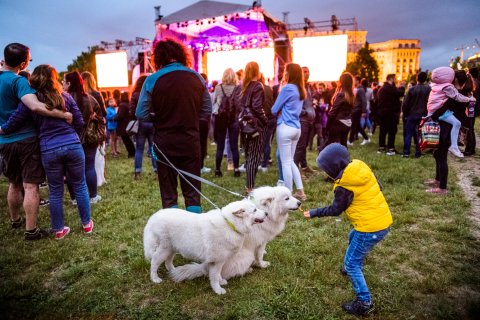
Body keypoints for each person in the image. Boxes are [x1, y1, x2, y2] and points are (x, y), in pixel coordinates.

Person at [0, 64, 93, 239]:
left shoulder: (30, 101)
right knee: (80, 185)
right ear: (53, 78)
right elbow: (80, 121)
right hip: (72, 145)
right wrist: (71, 134)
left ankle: (58, 230)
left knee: (55, 190)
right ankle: (87, 224)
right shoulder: (65, 97)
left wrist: (2, 129)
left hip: (48, 149)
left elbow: (15, 121)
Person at [303, 143, 392, 316]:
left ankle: (364, 302)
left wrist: (314, 213)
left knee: (352, 263)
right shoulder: (361, 168)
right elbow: (379, 187)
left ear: (333, 167)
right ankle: (350, 265)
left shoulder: (344, 186)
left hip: (369, 228)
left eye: (325, 169)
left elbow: (336, 210)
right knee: (353, 236)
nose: (325, 172)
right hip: (383, 221)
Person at [136, 38, 211, 213]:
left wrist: (158, 118)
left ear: (159, 58)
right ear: (181, 55)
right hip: (190, 142)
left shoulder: (152, 80)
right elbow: (207, 109)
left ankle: (172, 234)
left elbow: (141, 113)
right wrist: (191, 118)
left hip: (164, 144)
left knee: (169, 194)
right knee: (192, 193)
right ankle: (195, 233)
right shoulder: (196, 77)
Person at [426, 70, 471, 194]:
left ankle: (442, 188)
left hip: (447, 129)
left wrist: (434, 115)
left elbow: (446, 110)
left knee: (441, 156)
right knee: (437, 154)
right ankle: (437, 180)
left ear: (455, 79)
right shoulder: (449, 91)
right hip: (443, 126)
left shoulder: (455, 94)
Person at [63, 71, 104, 204]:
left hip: (69, 138)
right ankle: (93, 196)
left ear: (69, 83)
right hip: (89, 138)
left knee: (70, 170)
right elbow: (101, 117)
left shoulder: (62, 99)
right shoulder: (90, 99)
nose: (62, 84)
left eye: (63, 82)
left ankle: (74, 198)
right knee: (89, 167)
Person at [271, 62, 307, 199]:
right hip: (296, 128)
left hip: (285, 127)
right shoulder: (300, 89)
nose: (284, 73)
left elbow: (274, 109)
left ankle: (287, 195)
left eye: (286, 71)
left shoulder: (287, 88)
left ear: (290, 73)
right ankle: (300, 191)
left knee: (286, 162)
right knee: (290, 161)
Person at [426, 66, 476, 158]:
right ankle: (453, 146)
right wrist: (469, 99)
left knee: (456, 124)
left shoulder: (435, 85)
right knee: (457, 123)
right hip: (440, 112)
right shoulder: (448, 87)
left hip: (434, 111)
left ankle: (453, 146)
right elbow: (458, 97)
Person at [234, 61, 267, 194]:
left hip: (244, 124)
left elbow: (237, 105)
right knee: (254, 156)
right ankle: (250, 188)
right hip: (255, 125)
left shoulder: (241, 87)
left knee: (249, 156)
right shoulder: (258, 86)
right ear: (257, 71)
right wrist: (265, 120)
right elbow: (257, 106)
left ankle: (249, 186)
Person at [212, 68, 240, 177]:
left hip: (221, 118)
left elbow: (214, 102)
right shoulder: (238, 88)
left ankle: (218, 170)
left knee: (220, 146)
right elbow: (239, 105)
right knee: (234, 146)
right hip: (233, 119)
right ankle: (236, 170)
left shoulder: (218, 88)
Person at [132, 75, 157, 179]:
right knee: (154, 148)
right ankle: (157, 172)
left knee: (139, 149)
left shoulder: (135, 94)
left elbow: (132, 109)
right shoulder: (153, 92)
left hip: (141, 122)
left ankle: (137, 173)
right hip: (152, 122)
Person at [401, 71, 430, 158]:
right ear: (425, 79)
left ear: (417, 78)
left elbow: (405, 104)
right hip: (423, 115)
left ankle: (406, 152)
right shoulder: (428, 90)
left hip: (412, 114)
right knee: (420, 134)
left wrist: (405, 114)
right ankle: (418, 152)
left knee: (408, 134)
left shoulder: (412, 89)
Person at [294, 66, 316, 176]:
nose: (307, 74)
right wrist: (305, 112)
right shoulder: (298, 87)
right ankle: (296, 170)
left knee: (304, 145)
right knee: (300, 146)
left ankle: (304, 166)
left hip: (309, 121)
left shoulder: (308, 86)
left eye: (308, 71)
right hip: (302, 120)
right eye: (305, 72)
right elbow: (296, 105)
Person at [377, 74, 404, 155]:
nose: (396, 80)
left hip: (382, 112)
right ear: (391, 79)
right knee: (392, 131)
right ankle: (390, 149)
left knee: (383, 130)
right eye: (395, 79)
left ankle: (381, 147)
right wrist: (402, 86)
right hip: (390, 113)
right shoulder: (390, 88)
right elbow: (400, 93)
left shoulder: (381, 88)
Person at [325, 72, 354, 147]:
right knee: (343, 145)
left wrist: (327, 126)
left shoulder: (341, 94)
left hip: (337, 123)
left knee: (333, 146)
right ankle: (344, 158)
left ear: (342, 82)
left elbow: (333, 112)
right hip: (347, 123)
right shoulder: (351, 95)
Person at [348, 76, 370, 146]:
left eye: (354, 80)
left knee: (354, 125)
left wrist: (363, 111)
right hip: (355, 109)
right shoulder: (356, 89)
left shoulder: (361, 89)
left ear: (357, 81)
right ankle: (366, 138)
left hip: (358, 110)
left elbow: (364, 101)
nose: (353, 82)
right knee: (357, 126)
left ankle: (350, 141)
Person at [199, 73, 213, 174]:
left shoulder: (191, 89)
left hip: (192, 120)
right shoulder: (203, 90)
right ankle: (200, 166)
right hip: (202, 120)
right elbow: (208, 108)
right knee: (202, 144)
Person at [115, 92, 135, 158]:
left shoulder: (122, 105)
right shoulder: (128, 104)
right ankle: (132, 152)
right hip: (128, 124)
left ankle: (131, 152)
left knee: (126, 140)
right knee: (128, 139)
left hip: (123, 125)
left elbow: (120, 115)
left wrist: (114, 118)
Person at [464, 67, 479, 156]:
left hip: (471, 107)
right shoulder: (477, 82)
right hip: (474, 108)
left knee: (469, 128)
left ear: (470, 73)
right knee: (471, 128)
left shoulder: (473, 83)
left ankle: (469, 149)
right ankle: (471, 148)